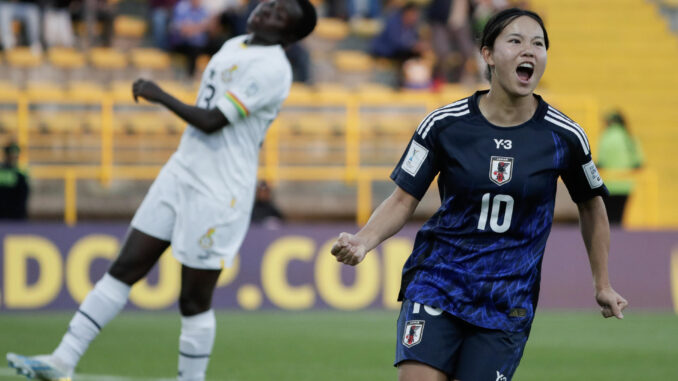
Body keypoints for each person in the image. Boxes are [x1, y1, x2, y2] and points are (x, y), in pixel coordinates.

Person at [6, 1, 317, 380]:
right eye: (270, 4)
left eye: (279, 15)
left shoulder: (272, 69)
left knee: (192, 298)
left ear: (289, 35)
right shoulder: (235, 44)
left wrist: (161, 95)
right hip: (181, 171)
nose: (267, 11)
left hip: (220, 190)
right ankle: (62, 360)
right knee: (124, 267)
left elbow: (212, 120)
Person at [331, 8, 627, 381]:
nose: (529, 52)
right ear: (487, 54)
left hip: (507, 298)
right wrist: (363, 241)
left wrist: (602, 283)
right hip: (439, 280)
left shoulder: (564, 136)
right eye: (516, 41)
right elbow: (403, 198)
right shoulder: (445, 124)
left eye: (539, 44)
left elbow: (592, 206)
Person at [596, 111, 644, 225]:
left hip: (609, 184)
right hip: (626, 185)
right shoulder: (629, 138)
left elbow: (600, 162)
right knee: (619, 219)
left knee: (608, 221)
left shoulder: (606, 137)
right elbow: (639, 163)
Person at [0, 142, 29, 220]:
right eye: (11, 154)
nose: (14, 157)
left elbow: (24, 194)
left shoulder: (21, 172)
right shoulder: (2, 170)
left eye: (16, 155)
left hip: (16, 215)